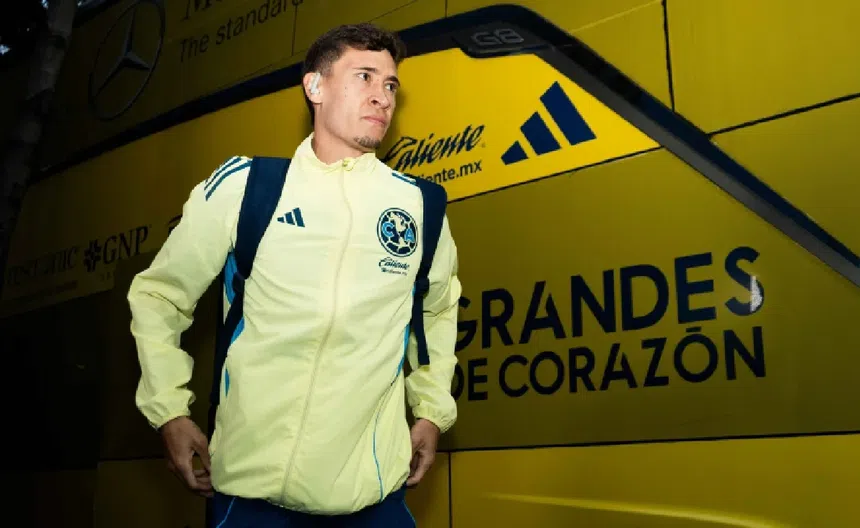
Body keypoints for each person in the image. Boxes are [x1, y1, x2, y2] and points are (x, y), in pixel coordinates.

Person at [127, 23, 461, 527]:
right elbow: (160, 296)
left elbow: (436, 312)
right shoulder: (247, 187)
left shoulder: (420, 205)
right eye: (365, 77)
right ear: (315, 86)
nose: (382, 96)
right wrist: (168, 411)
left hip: (374, 498)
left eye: (390, 84)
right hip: (250, 497)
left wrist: (433, 411)